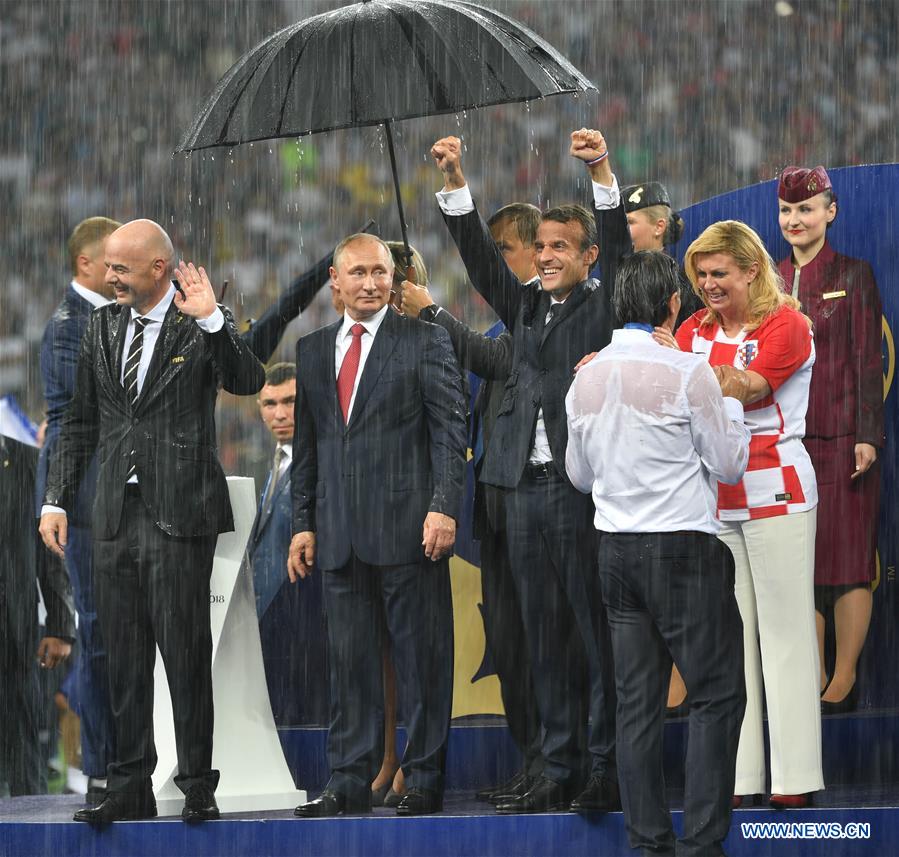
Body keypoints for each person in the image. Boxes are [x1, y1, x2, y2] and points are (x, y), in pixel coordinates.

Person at [39, 219, 265, 824]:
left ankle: (196, 785)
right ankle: (129, 783)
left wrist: (216, 319)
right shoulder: (101, 327)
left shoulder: (198, 320)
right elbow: (80, 421)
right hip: (111, 514)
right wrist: (56, 498)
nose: (109, 277)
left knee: (185, 655)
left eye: (120, 268)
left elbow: (248, 380)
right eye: (108, 266)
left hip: (178, 514)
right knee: (122, 656)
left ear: (158, 269)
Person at [431, 129, 630, 815]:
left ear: (588, 256)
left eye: (558, 248)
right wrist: (456, 183)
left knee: (592, 637)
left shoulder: (605, 305)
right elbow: (482, 264)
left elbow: (625, 249)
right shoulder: (523, 306)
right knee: (543, 637)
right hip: (518, 495)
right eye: (539, 246)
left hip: (578, 495)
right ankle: (556, 765)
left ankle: (604, 767)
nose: (544, 256)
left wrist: (600, 170)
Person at [566, 250, 750, 856]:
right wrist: (722, 398)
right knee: (717, 694)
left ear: (620, 306)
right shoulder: (687, 370)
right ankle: (701, 845)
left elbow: (580, 477)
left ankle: (647, 843)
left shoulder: (585, 375)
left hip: (615, 554)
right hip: (682, 549)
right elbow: (728, 463)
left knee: (637, 704)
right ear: (674, 305)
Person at [289, 233, 467, 818]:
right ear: (335, 282)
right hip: (338, 536)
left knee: (422, 662)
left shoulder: (426, 340)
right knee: (350, 664)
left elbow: (450, 432)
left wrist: (444, 505)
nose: (371, 283)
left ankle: (424, 778)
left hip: (411, 531)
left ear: (395, 278)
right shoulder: (312, 350)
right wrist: (303, 522)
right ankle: (347, 780)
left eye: (381, 272)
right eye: (358, 273)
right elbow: (308, 449)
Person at [670, 220, 822, 809]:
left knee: (784, 636)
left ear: (752, 270)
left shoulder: (788, 324)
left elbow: (746, 388)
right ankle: (740, 775)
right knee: (730, 645)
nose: (708, 285)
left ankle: (795, 777)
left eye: (719, 274)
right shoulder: (691, 329)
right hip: (715, 498)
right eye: (700, 275)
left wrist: (664, 368)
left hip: (777, 488)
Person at [400, 208, 545, 804]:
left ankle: (562, 763)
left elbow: (497, 362)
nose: (501, 265)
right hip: (497, 510)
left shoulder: (548, 323)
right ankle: (535, 757)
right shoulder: (499, 330)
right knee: (510, 644)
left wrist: (432, 311)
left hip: (540, 506)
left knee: (545, 644)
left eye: (506, 251)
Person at [776, 166, 884, 711]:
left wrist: (867, 433)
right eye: (787, 211)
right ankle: (812, 671)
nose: (795, 220)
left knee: (849, 561)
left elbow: (870, 359)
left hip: (844, 440)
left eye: (806, 209)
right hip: (785, 444)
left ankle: (844, 675)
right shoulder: (767, 279)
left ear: (830, 212)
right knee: (803, 564)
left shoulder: (854, 273)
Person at [36, 216, 121, 803]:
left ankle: (121, 758)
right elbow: (78, 420)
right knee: (98, 632)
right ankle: (100, 766)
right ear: (86, 264)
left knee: (117, 632)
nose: (122, 272)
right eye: (113, 262)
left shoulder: (108, 320)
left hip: (111, 496)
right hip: (88, 502)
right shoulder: (70, 328)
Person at [248, 362, 328, 727]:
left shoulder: (327, 459)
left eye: (290, 401)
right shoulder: (266, 463)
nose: (279, 413)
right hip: (268, 617)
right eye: (269, 404)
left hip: (312, 615)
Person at [1, 433, 74, 796]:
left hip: (16, 625)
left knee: (24, 741)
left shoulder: (28, 460)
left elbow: (50, 551)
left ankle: (31, 831)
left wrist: (61, 625)